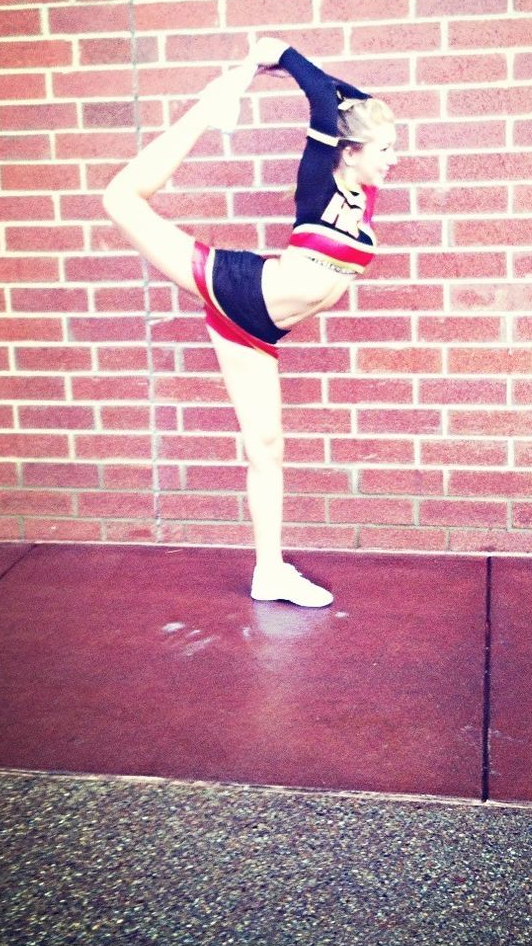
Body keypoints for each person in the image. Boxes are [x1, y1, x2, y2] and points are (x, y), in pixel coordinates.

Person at [103, 37, 397, 608]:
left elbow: (356, 98)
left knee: (267, 447)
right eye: (384, 147)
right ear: (351, 150)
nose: (394, 157)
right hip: (237, 285)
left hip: (257, 330)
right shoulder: (321, 180)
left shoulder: (365, 198)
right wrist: (277, 53)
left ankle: (269, 571)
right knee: (121, 199)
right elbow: (321, 96)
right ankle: (204, 111)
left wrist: (360, 102)